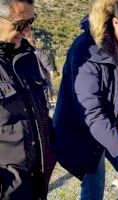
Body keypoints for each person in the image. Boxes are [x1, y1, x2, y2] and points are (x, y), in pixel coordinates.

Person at [52, 0, 118, 199]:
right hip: (87, 129)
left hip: (112, 122)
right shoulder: (86, 49)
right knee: (94, 184)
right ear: (116, 23)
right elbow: (91, 113)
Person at [0, 0, 56, 199]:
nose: (27, 30)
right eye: (20, 23)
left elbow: (39, 115)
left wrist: (52, 152)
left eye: (31, 21)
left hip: (37, 186)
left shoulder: (28, 57)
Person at [27, 37, 56, 106]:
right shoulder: (39, 51)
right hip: (42, 76)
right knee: (44, 90)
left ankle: (43, 105)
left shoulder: (26, 53)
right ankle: (47, 104)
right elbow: (46, 62)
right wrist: (51, 71)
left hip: (31, 77)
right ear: (34, 43)